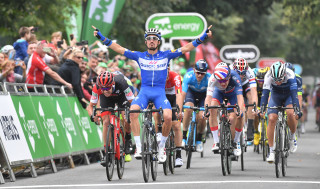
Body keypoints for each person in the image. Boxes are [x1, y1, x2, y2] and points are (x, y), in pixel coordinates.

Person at [92, 25, 212, 163]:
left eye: (154, 39)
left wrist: (203, 37)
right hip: (144, 92)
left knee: (168, 117)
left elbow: (186, 48)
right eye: (149, 39)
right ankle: (138, 147)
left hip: (159, 94)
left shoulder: (166, 55)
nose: (151, 41)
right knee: (132, 112)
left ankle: (161, 148)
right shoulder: (140, 56)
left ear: (159, 42)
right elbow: (118, 48)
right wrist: (101, 38)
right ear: (145, 42)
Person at [87, 71, 135, 164]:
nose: (105, 90)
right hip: (107, 100)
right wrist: (92, 116)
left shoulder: (121, 82)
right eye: (103, 88)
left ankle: (128, 137)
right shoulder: (97, 87)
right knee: (106, 121)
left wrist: (130, 112)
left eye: (108, 87)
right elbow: (90, 105)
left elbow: (132, 101)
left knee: (126, 117)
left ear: (112, 83)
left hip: (122, 97)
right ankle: (106, 152)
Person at [259, 61, 302, 163]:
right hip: (276, 95)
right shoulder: (268, 75)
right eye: (275, 80)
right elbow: (265, 95)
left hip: (288, 95)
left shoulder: (290, 74)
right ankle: (271, 151)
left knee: (291, 113)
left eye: (280, 79)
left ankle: (292, 137)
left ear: (284, 74)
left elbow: (295, 95)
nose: (278, 82)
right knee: (271, 118)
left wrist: (297, 109)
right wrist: (262, 109)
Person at [204, 62, 245, 156]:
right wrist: (206, 109)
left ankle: (236, 141)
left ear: (229, 76)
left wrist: (240, 110)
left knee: (237, 115)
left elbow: (240, 97)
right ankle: (216, 141)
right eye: (220, 81)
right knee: (212, 108)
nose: (223, 83)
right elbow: (208, 97)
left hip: (232, 94)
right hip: (218, 93)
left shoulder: (235, 76)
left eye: (225, 80)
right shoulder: (212, 79)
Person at [154, 67, 184, 167]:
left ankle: (178, 156)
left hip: (174, 98)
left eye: (165, 72)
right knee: (156, 109)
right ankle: (158, 131)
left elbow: (179, 94)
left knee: (176, 125)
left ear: (168, 69)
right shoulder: (156, 77)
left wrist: (179, 110)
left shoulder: (175, 76)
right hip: (161, 97)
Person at [181, 59, 211, 153]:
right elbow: (183, 94)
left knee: (202, 116)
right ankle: (184, 137)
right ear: (194, 70)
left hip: (204, 95)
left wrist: (208, 108)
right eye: (198, 73)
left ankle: (198, 140)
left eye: (202, 74)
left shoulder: (209, 78)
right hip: (191, 93)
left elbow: (211, 95)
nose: (199, 75)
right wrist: (181, 106)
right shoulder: (188, 76)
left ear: (205, 73)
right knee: (188, 109)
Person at [231, 57, 258, 144]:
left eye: (243, 73)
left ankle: (250, 126)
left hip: (245, 84)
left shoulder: (250, 72)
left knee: (250, 95)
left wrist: (254, 106)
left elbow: (254, 90)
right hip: (233, 84)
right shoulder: (229, 70)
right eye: (239, 73)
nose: (241, 76)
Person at [253, 67, 270, 146]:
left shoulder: (269, 83)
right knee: (256, 115)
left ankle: (267, 135)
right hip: (258, 101)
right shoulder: (255, 84)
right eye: (259, 80)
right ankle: (256, 132)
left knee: (267, 115)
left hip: (266, 101)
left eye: (262, 81)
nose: (260, 83)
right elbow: (253, 96)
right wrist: (255, 108)